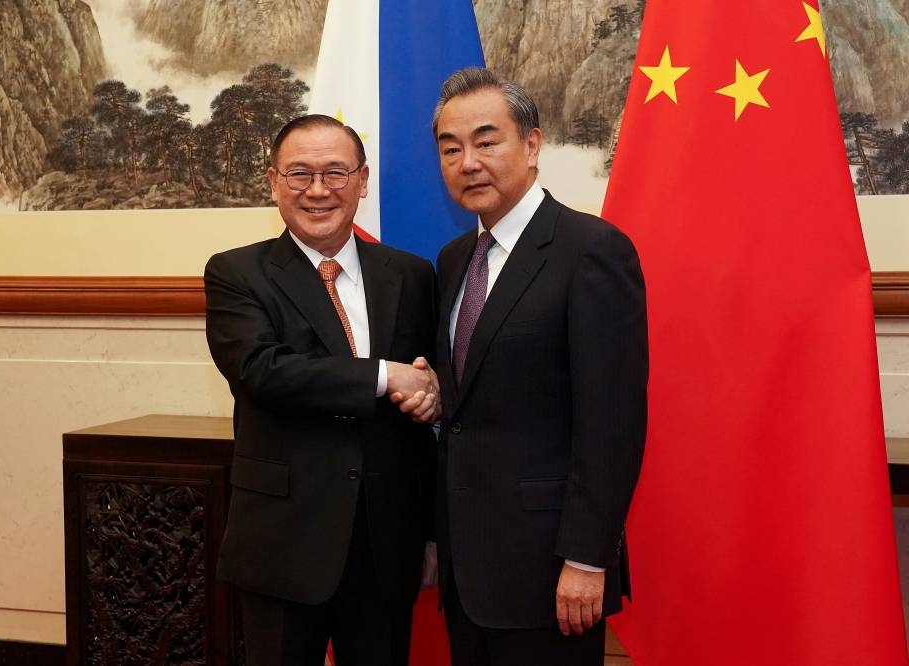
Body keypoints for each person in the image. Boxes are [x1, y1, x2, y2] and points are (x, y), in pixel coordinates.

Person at [424, 67, 648, 665]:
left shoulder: (591, 250)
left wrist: (588, 557)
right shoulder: (452, 260)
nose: (469, 162)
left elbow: (612, 424)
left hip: (551, 571)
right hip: (467, 569)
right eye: (451, 148)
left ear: (532, 144)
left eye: (486, 141)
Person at [205, 114, 441, 666]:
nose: (318, 190)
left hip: (386, 545)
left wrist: (430, 393)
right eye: (300, 174)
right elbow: (263, 370)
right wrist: (386, 375)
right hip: (283, 543)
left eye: (335, 173)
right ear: (273, 182)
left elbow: (429, 393)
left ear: (363, 181)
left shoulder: (412, 275)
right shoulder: (238, 273)